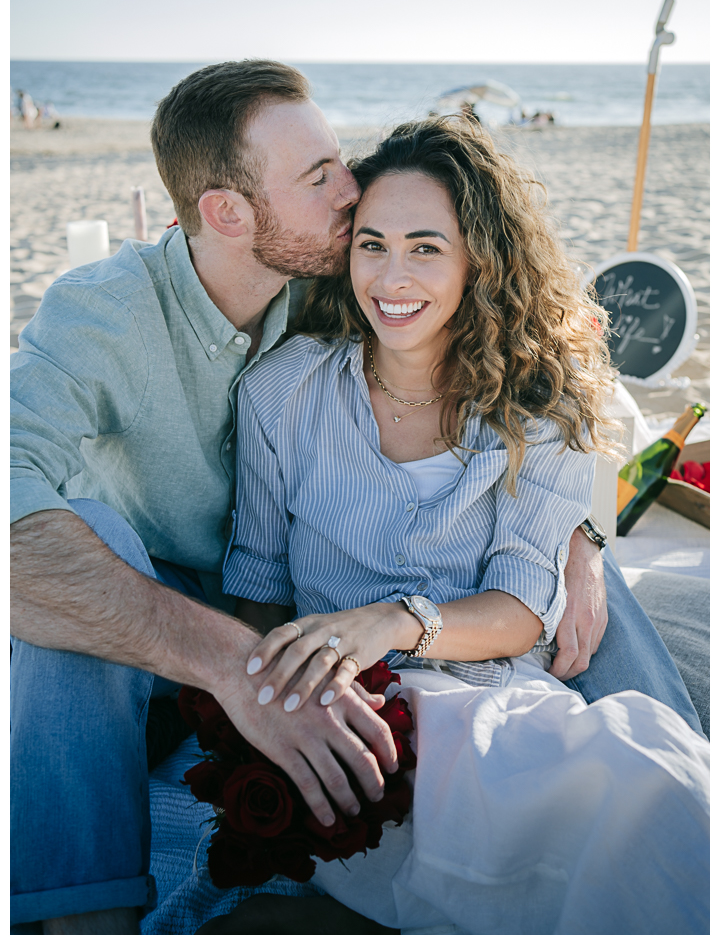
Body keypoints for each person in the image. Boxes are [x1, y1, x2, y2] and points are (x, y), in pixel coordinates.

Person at [9, 62, 697, 934]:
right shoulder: (117, 320)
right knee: (67, 560)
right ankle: (78, 916)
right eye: (322, 178)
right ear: (228, 212)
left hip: (411, 636)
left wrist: (583, 530)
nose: (351, 190)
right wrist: (236, 669)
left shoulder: (326, 273)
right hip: (163, 607)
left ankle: (687, 773)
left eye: (340, 163)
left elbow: (550, 358)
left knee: (615, 655)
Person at [216, 115, 708, 933]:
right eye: (371, 243)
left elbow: (521, 611)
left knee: (654, 790)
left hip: (498, 703)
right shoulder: (282, 393)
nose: (391, 275)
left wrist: (396, 622)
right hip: (351, 716)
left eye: (425, 247)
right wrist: (267, 710)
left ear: (478, 258)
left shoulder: (539, 406)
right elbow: (259, 583)